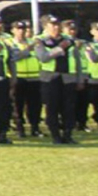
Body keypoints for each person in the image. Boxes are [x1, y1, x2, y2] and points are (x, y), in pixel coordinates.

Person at [36, 16, 77, 144]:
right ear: (45, 27)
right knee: (52, 107)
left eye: (57, 24)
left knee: (69, 108)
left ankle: (68, 134)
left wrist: (79, 78)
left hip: (68, 78)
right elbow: (43, 57)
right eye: (52, 25)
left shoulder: (69, 40)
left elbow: (77, 60)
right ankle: (56, 135)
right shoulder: (40, 41)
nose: (56, 27)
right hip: (50, 78)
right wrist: (60, 49)